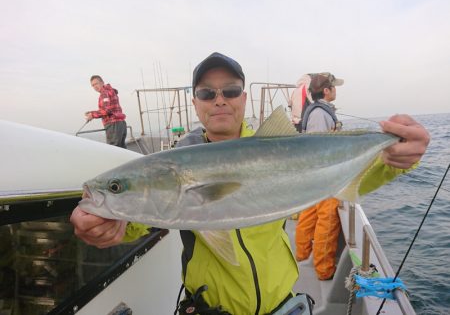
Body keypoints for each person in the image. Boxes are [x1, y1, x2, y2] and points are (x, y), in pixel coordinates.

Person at [70, 53, 430, 315]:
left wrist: (398, 159)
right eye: (207, 93)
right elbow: (143, 214)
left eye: (230, 90)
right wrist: (108, 221)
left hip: (284, 305)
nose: (220, 99)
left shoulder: (274, 145)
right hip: (211, 308)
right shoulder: (177, 161)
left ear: (243, 97)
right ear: (195, 103)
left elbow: (350, 177)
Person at [295, 72, 344, 280]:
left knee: (309, 214)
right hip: (324, 179)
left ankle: (301, 254)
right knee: (327, 220)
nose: (336, 90)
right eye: (334, 87)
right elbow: (317, 149)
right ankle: (324, 270)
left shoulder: (317, 111)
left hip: (314, 177)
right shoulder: (319, 114)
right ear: (326, 90)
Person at [85, 75, 127, 148]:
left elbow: (107, 110)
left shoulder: (104, 93)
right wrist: (92, 112)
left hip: (113, 125)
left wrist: (92, 115)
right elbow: (108, 108)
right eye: (93, 85)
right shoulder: (110, 91)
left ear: (102, 82)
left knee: (113, 149)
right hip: (121, 123)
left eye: (96, 84)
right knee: (122, 149)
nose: (95, 87)